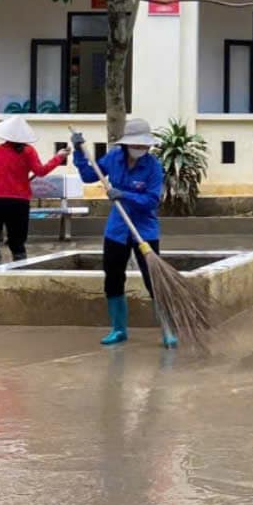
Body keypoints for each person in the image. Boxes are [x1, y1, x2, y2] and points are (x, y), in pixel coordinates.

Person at [72, 118, 176, 349]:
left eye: (144, 145)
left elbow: (151, 201)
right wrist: (79, 152)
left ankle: (168, 329)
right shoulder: (114, 158)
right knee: (113, 278)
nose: (141, 149)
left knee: (154, 282)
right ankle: (118, 329)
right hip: (117, 230)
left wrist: (125, 195)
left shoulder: (153, 167)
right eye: (136, 144)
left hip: (145, 231)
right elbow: (90, 176)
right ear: (126, 144)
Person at [0, 117, 69, 267]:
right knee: (17, 241)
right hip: (19, 203)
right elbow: (40, 171)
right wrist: (59, 157)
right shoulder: (29, 151)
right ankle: (20, 269)